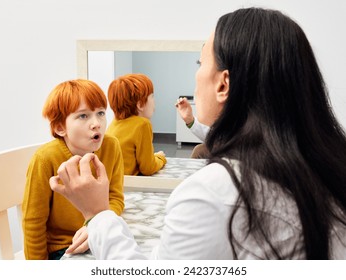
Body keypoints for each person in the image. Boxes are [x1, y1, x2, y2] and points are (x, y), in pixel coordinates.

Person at [50, 8, 346, 259]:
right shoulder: (327, 166)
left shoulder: (211, 194)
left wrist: (97, 213)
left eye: (200, 62)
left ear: (223, 84)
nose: (196, 74)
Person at [22, 79, 125, 259]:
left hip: (99, 235)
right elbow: (33, 222)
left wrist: (94, 224)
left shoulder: (112, 146)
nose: (97, 123)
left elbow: (115, 197)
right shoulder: (45, 159)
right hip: (63, 248)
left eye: (101, 113)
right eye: (83, 116)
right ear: (60, 127)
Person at [106, 73, 167, 175]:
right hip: (128, 185)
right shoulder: (143, 124)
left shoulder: (114, 123)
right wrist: (161, 158)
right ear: (140, 105)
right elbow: (148, 168)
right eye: (152, 97)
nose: (154, 101)